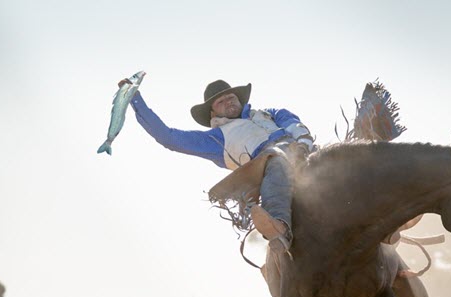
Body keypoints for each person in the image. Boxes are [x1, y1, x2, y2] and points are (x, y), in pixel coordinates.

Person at [127, 78, 314, 252]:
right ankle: (279, 227)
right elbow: (169, 137)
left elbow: (293, 124)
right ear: (212, 112)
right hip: (268, 166)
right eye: (221, 102)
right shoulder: (216, 139)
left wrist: (303, 145)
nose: (229, 102)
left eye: (231, 97)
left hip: (301, 150)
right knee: (276, 159)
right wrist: (134, 98)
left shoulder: (269, 113)